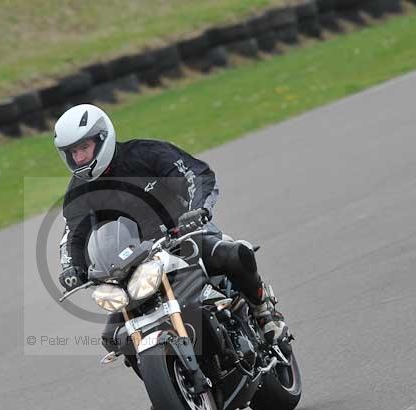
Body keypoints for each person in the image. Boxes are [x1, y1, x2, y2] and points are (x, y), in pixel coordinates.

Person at [54, 103, 287, 352]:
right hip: (133, 266)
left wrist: (197, 211)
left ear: (103, 140)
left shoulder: (146, 154)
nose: (79, 158)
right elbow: (73, 234)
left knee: (232, 255)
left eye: (84, 148)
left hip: (184, 239)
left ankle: (264, 311)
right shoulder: (79, 190)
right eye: (73, 152)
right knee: (113, 338)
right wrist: (71, 267)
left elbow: (195, 176)